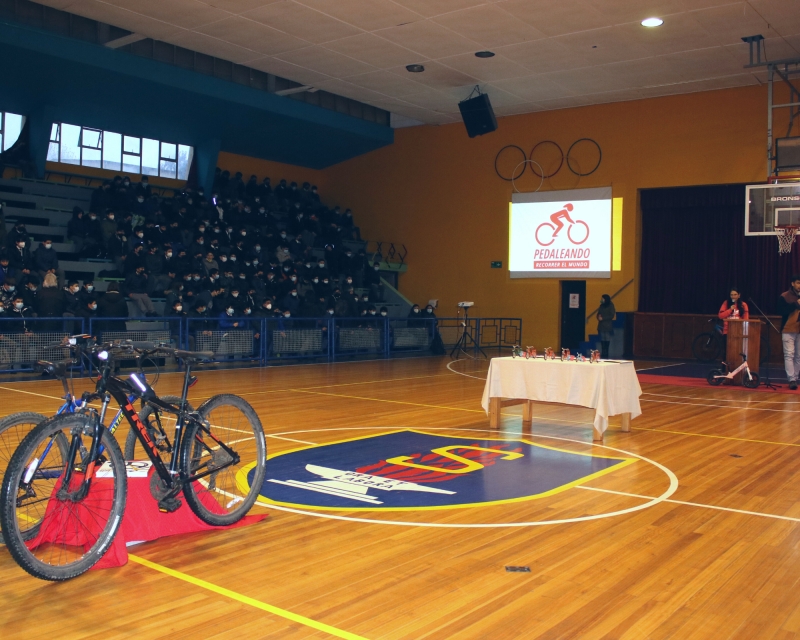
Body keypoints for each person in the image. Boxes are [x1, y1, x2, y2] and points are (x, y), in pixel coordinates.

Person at [778, 275, 800, 390]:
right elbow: (780, 310)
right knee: (789, 354)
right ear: (793, 283)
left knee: (798, 356)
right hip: (788, 329)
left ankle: (795, 378)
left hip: (799, 330)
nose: (799, 286)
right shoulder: (785, 296)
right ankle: (791, 379)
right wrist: (795, 305)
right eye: (798, 283)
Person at [596, 294, 616, 359]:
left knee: (606, 338)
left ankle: (606, 352)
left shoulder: (611, 305)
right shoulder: (601, 306)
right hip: (601, 325)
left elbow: (612, 315)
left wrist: (603, 318)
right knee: (602, 338)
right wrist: (598, 316)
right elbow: (598, 312)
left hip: (607, 325)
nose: (601, 300)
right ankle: (603, 351)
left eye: (603, 299)